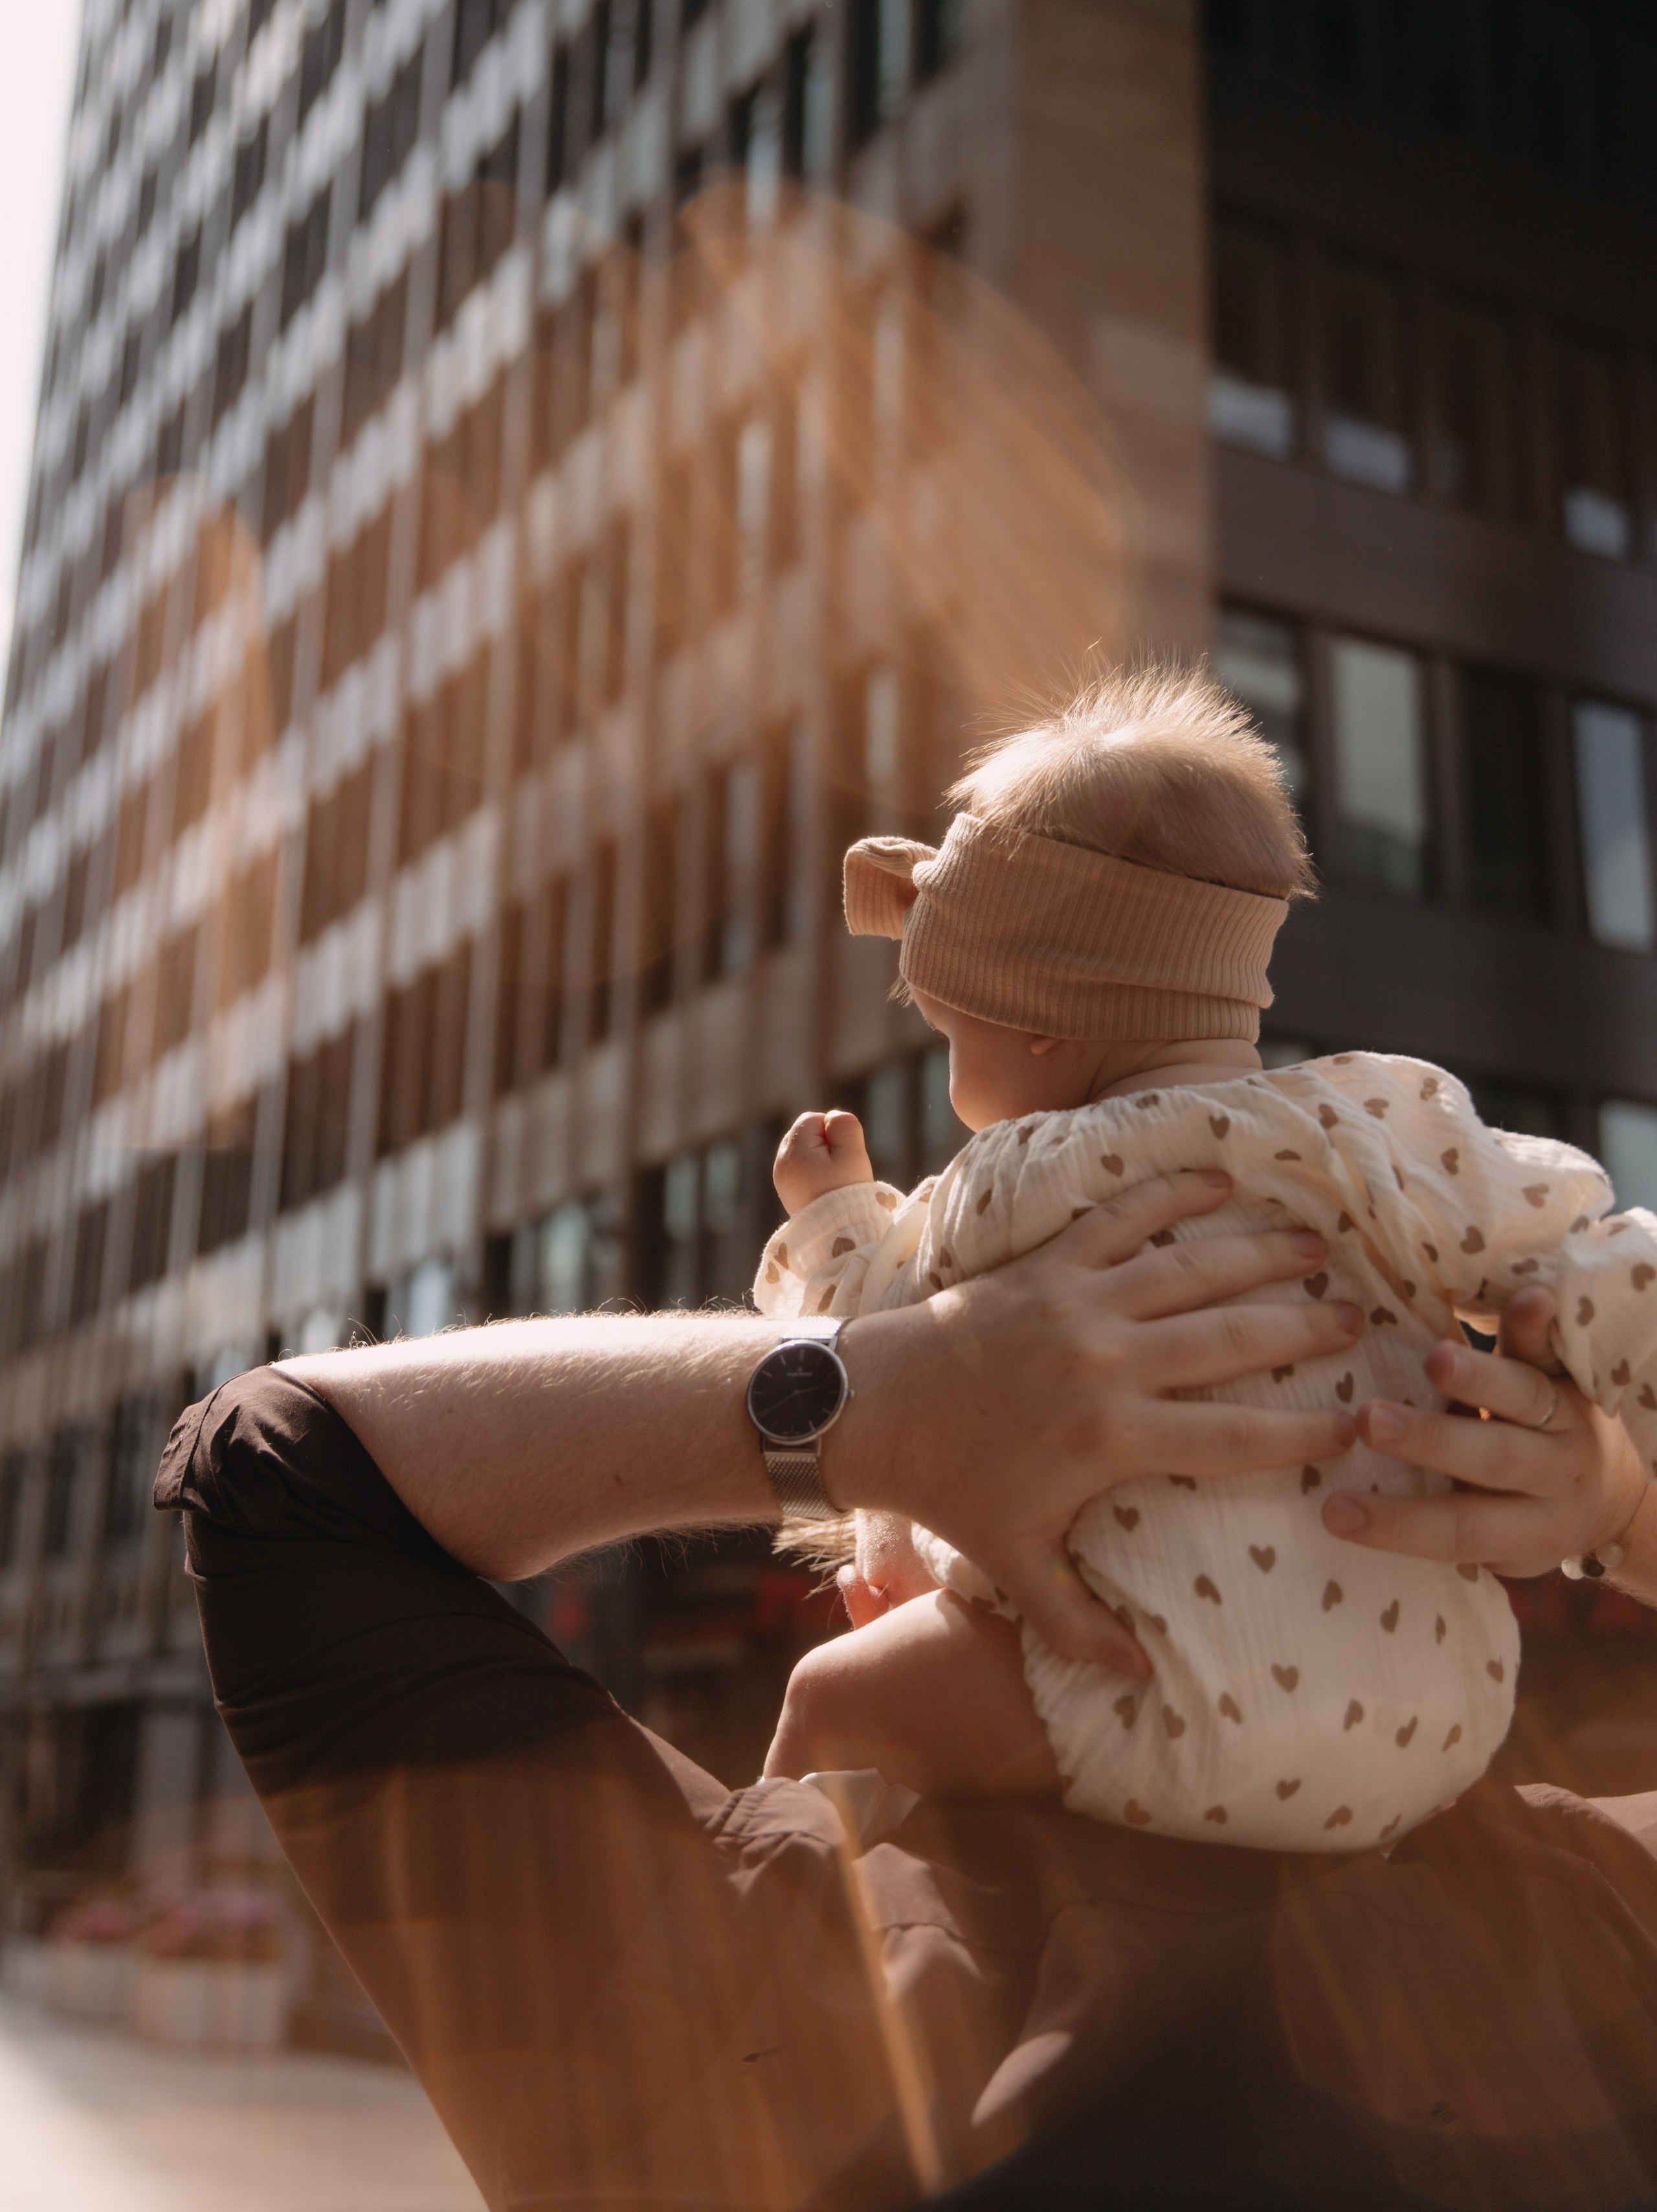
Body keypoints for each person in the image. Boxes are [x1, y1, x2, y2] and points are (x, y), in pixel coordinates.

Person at [157, 1191, 1657, 2211]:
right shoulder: (1584, 1938)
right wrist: (1610, 1497)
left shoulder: (741, 2025)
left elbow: (278, 1473)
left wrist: (882, 1397)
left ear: (908, 1579)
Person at [755, 669, 1657, 1854]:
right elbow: (1587, 1256)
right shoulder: (1375, 1124)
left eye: (951, 1034)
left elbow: (868, 1349)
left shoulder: (1016, 1179)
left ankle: (764, 1957)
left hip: (1139, 1686)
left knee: (835, 1697)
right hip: (1434, 1714)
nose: (952, 1079)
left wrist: (832, 1215)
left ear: (1038, 1020)